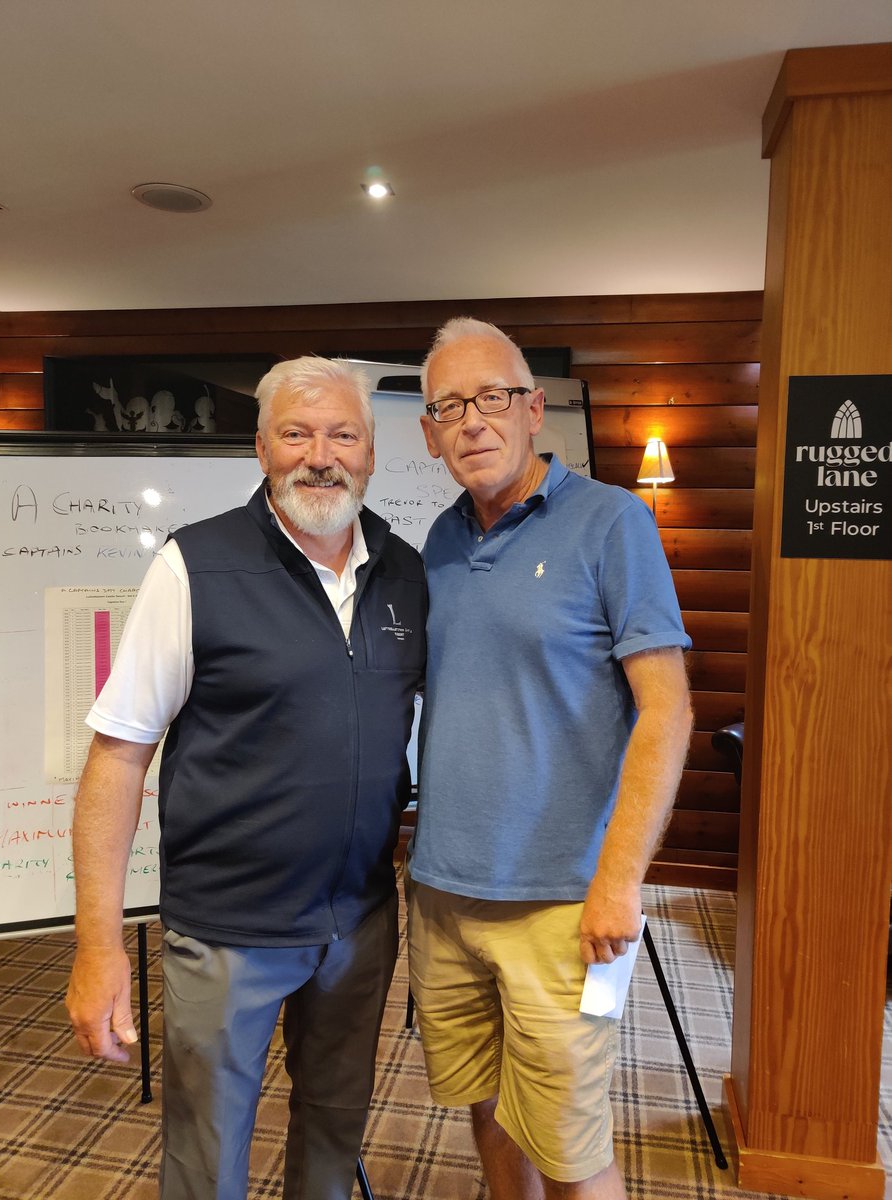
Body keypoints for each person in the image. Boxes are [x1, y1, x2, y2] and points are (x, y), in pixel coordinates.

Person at [66, 356, 427, 1200]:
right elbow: (117, 757)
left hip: (360, 923)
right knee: (207, 1156)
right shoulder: (194, 567)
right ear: (261, 447)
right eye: (297, 433)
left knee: (335, 1133)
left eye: (343, 434)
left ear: (373, 452)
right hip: (227, 930)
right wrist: (97, 945)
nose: (321, 453)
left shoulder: (406, 573)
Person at [407, 318, 693, 1200]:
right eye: (449, 406)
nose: (473, 422)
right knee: (487, 1109)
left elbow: (667, 710)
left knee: (570, 1146)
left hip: (568, 906)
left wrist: (619, 876)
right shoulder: (439, 544)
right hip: (445, 894)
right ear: (428, 434)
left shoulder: (612, 523)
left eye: (492, 398)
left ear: (534, 410)